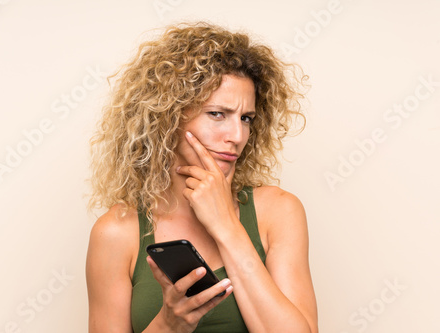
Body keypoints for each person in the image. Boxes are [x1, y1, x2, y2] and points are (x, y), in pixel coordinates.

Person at [86, 22, 318, 333]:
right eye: (217, 114)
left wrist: (226, 226)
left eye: (246, 118)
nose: (237, 135)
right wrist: (168, 325)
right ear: (167, 116)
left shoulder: (278, 211)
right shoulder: (116, 232)